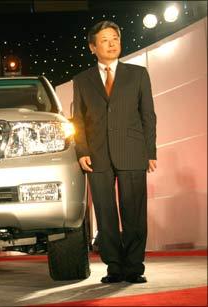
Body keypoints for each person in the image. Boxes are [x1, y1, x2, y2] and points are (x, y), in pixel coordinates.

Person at [72, 21, 157, 284]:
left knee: (134, 211)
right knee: (106, 214)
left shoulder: (138, 74)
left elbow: (148, 116)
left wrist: (150, 152)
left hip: (132, 151)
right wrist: (82, 150)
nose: (112, 43)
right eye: (105, 40)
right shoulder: (82, 80)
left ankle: (133, 267)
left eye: (115, 38)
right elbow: (79, 120)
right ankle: (114, 267)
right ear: (92, 47)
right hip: (97, 155)